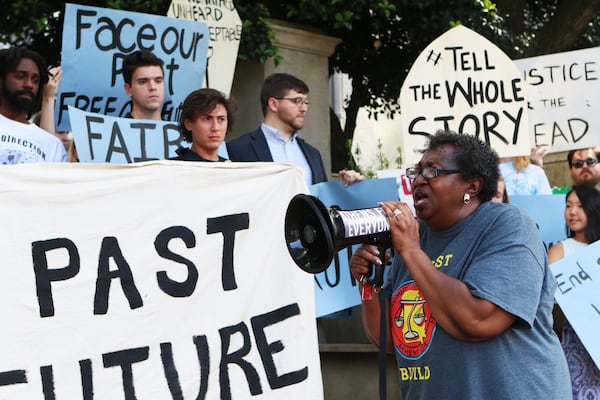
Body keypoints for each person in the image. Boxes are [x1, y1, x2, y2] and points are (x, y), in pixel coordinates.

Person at [349, 130, 570, 399]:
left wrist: (409, 250)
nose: (418, 180)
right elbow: (389, 340)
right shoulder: (415, 241)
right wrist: (367, 282)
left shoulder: (509, 226)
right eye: (416, 172)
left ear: (472, 187)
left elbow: (478, 320)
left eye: (432, 171)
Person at [226, 72, 362, 186]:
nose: (304, 109)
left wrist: (341, 188)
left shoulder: (313, 154)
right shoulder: (238, 149)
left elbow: (320, 203)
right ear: (273, 104)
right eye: (297, 101)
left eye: (305, 102)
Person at [548, 186, 600, 398]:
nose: (572, 212)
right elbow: (549, 299)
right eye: (568, 205)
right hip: (575, 340)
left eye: (580, 206)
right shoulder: (560, 249)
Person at [0, 46, 67, 164]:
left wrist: (48, 97)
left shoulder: (52, 145)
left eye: (35, 80)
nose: (29, 85)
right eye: (20, 76)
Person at [171, 88, 235, 162]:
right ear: (188, 124)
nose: (215, 128)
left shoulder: (232, 169)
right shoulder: (171, 168)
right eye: (207, 119)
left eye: (221, 119)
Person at [122, 50, 165, 120]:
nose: (153, 87)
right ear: (128, 89)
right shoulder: (115, 130)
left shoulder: (177, 131)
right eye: (143, 82)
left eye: (158, 81)